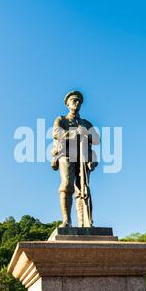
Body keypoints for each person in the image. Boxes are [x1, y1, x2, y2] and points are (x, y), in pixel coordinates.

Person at [51, 91, 100, 227]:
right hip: (66, 154)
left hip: (83, 157)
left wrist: (87, 134)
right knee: (66, 185)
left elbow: (97, 139)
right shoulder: (61, 120)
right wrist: (74, 133)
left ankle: (84, 223)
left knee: (83, 189)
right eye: (74, 100)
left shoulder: (85, 123)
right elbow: (56, 132)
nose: (77, 103)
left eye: (79, 101)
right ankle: (67, 221)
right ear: (67, 104)